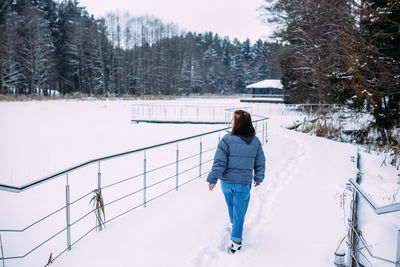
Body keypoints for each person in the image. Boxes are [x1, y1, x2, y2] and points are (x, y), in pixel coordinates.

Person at [207, 109, 265, 254]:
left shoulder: (226, 140)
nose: (231, 122)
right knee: (239, 212)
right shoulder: (255, 142)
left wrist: (213, 178)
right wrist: (258, 178)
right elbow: (260, 162)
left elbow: (219, 162)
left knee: (231, 206)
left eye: (232, 120)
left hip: (226, 182)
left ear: (237, 124)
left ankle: (236, 235)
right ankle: (236, 241)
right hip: (243, 184)